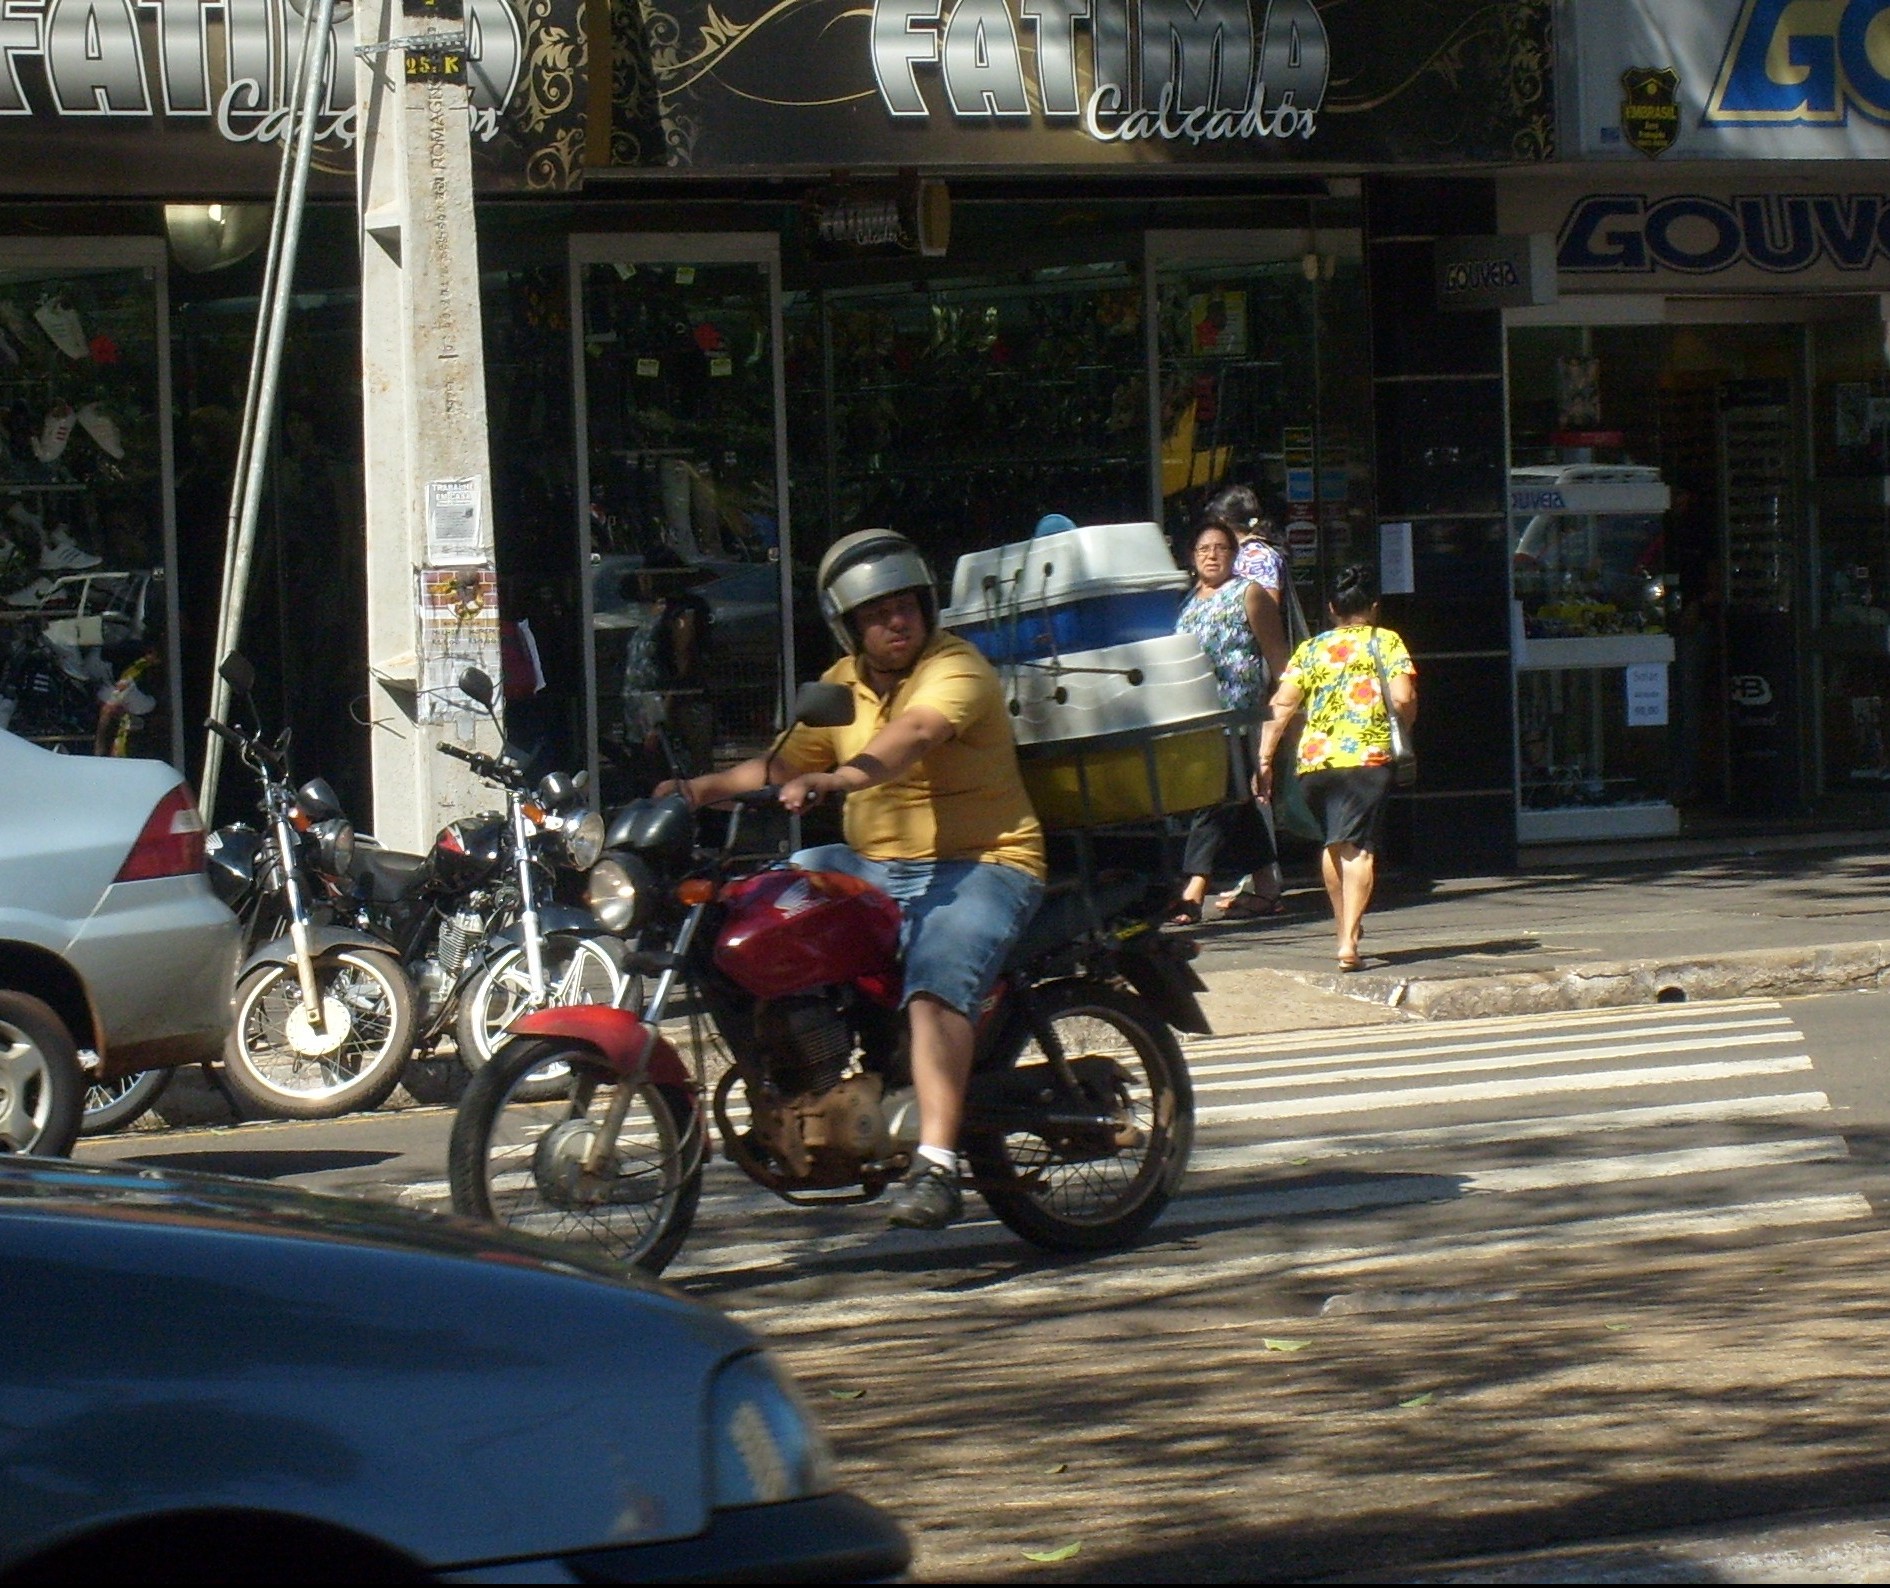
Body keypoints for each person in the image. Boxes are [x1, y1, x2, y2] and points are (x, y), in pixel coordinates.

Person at [658, 528, 1046, 1231]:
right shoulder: (841, 685)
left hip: (983, 862)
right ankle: (799, 1087)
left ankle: (935, 1163)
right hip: (871, 864)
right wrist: (697, 790)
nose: (894, 622)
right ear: (850, 626)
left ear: (926, 607)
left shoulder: (956, 668)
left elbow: (914, 736)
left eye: (904, 606)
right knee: (746, 911)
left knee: (934, 985)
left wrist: (837, 777)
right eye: (875, 613)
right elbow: (781, 763)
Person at [1255, 563, 1417, 971]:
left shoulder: (1310, 650)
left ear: (1331, 609)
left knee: (1334, 841)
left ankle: (1344, 928)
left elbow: (1283, 704)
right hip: (1367, 757)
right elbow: (1402, 697)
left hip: (1316, 761)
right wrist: (1404, 725)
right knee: (1358, 847)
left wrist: (1264, 758)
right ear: (1374, 608)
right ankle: (1348, 941)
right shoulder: (1387, 641)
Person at [1169, 515, 1289, 925]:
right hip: (1198, 719)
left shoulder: (1249, 594)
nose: (1212, 556)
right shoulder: (1187, 603)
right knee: (1237, 800)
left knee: (1215, 799)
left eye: (1221, 548)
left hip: (1239, 716)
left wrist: (1280, 715)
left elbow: (1279, 658)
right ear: (1192, 557)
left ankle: (1193, 889)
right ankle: (1267, 887)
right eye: (1204, 549)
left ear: (1234, 555)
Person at [620, 546, 715, 785]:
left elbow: (684, 662)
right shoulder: (647, 610)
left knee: (685, 773)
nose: (642, 580)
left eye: (647, 575)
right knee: (652, 775)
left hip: (676, 707)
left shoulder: (683, 611)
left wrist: (664, 715)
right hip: (644, 708)